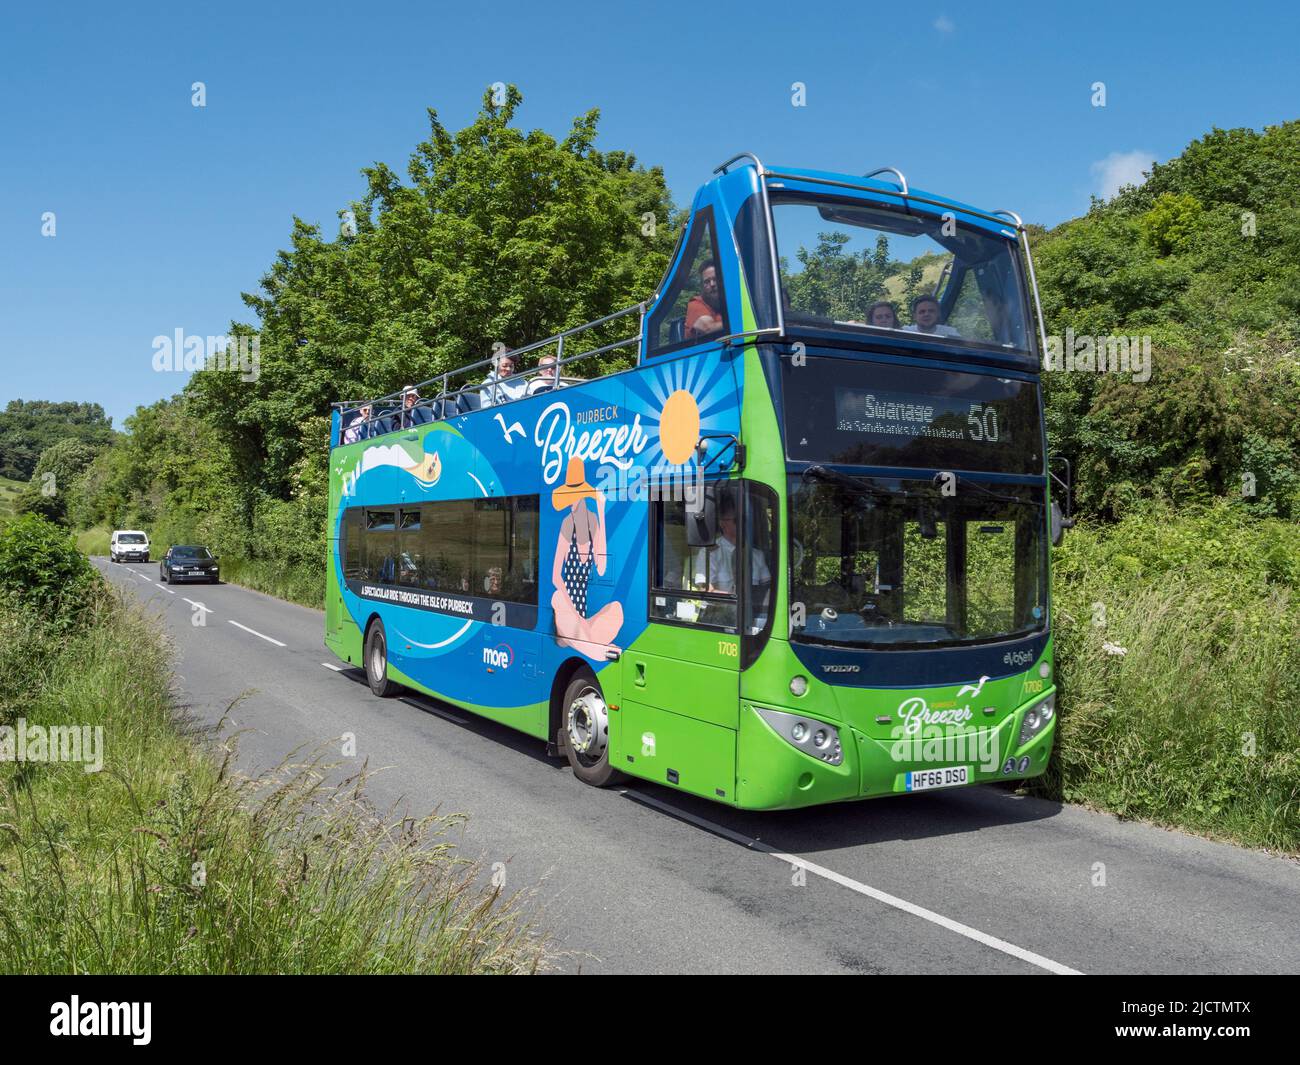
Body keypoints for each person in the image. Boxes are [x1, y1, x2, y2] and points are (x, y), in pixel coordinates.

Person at [551, 457, 623, 661]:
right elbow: (556, 576)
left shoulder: (593, 522)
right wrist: (576, 617)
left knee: (616, 609)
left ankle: (586, 640)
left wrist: (601, 511)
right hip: (565, 614)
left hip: (583, 620)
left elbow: (601, 567)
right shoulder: (567, 524)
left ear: (582, 496)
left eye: (572, 497)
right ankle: (599, 651)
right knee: (556, 597)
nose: (570, 503)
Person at [692, 493, 770, 596]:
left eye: (744, 519)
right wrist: (738, 600)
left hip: (752, 610)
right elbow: (706, 590)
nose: (742, 523)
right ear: (722, 523)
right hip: (720, 610)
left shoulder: (757, 555)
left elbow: (767, 590)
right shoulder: (710, 553)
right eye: (737, 520)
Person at [685, 260, 725, 341]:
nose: (712, 284)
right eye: (707, 281)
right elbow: (708, 328)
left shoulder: (728, 302)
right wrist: (738, 321)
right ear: (702, 286)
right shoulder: (695, 303)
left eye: (715, 279)